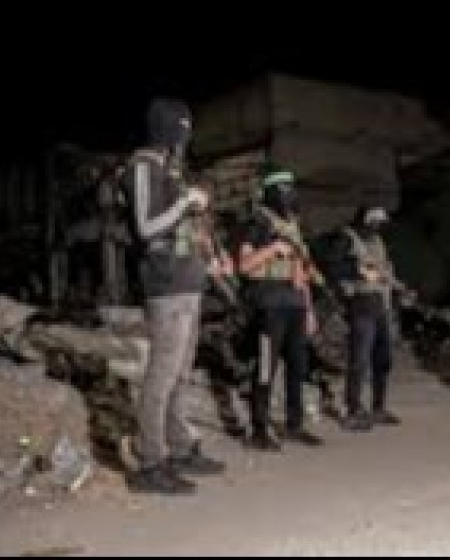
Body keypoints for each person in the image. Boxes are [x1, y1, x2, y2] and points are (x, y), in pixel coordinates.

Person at [122, 97, 225, 495]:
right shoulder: (142, 167)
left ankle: (179, 449)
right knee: (162, 375)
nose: (185, 137)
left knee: (180, 374)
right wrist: (185, 202)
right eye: (181, 129)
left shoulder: (170, 168)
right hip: (166, 286)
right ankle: (150, 462)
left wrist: (210, 258)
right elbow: (147, 228)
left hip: (188, 281)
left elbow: (184, 230)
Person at [237, 162, 324, 450]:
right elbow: (244, 266)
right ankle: (259, 429)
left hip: (294, 303)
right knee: (265, 368)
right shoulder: (257, 225)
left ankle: (294, 424)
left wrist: (309, 309)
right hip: (268, 304)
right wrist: (273, 249)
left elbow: (301, 271)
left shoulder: (293, 226)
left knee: (298, 367)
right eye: (283, 189)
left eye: (291, 189)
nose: (289, 195)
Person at [330, 206, 407, 431]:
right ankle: (352, 409)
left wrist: (399, 287)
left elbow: (385, 271)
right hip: (361, 303)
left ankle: (378, 407)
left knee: (382, 359)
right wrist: (359, 272)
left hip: (381, 303)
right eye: (375, 222)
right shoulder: (348, 238)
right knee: (360, 360)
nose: (378, 227)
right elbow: (334, 267)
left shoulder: (377, 240)